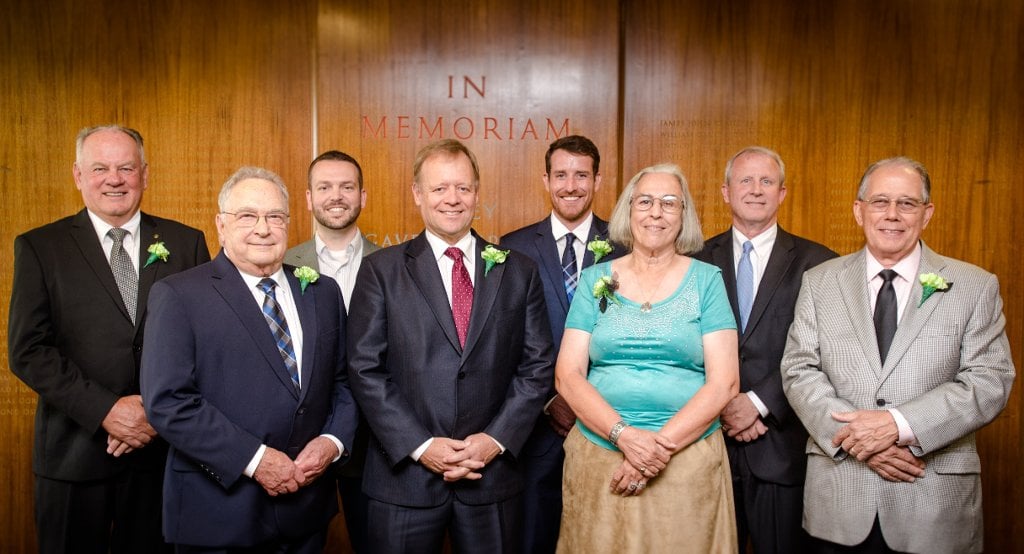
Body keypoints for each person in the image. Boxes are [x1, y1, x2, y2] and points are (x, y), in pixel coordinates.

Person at [781, 157, 1015, 553]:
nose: (892, 215)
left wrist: (898, 425)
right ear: (859, 210)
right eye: (880, 202)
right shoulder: (820, 282)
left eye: (907, 203)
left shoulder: (975, 285)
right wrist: (859, 440)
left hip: (932, 503)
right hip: (840, 501)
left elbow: (989, 381)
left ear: (927, 213)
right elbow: (799, 369)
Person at [7, 125, 210, 554]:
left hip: (162, 457)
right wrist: (106, 410)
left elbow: (206, 343)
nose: (114, 179)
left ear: (145, 174)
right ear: (79, 175)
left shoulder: (185, 243)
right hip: (73, 458)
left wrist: (153, 414)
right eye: (100, 168)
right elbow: (29, 351)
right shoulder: (41, 247)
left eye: (126, 168)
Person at [347, 139, 554, 553]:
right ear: (418, 195)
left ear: (476, 193)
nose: (452, 199)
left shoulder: (519, 270)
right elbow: (364, 368)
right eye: (439, 188)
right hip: (404, 479)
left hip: (490, 478)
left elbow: (537, 367)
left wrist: (493, 441)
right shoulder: (381, 271)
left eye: (462, 187)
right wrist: (422, 447)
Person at [140, 166, 358, 553]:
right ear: (220, 226)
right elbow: (168, 401)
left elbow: (343, 383)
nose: (263, 228)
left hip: (306, 511)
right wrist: (255, 460)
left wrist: (332, 441)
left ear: (289, 223)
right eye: (247, 216)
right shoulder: (179, 295)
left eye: (275, 216)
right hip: (219, 512)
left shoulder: (322, 292)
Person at [555, 163, 739, 553]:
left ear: (684, 215)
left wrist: (654, 450)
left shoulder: (708, 280)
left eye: (670, 203)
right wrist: (624, 436)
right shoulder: (594, 280)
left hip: (684, 460)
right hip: (600, 454)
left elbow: (725, 382)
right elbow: (568, 376)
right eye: (646, 201)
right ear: (628, 211)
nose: (656, 212)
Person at [695, 146, 836, 553]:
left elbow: (828, 350)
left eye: (766, 181)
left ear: (782, 193)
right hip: (708, 443)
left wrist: (758, 403)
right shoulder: (695, 260)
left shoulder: (819, 263)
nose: (755, 190)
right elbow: (682, 347)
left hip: (780, 445)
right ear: (725, 191)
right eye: (745, 180)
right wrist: (722, 404)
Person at [499, 134, 621, 553]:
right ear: (546, 180)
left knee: (600, 535)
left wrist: (586, 400)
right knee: (533, 535)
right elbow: (503, 340)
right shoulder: (512, 248)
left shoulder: (626, 246)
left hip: (606, 421)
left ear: (598, 180)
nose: (571, 185)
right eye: (562, 175)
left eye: (582, 175)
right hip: (536, 423)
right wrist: (552, 399)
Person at [284, 150, 379, 553]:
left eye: (346, 187)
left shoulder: (396, 265)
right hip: (301, 442)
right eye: (324, 187)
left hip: (377, 442)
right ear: (308, 198)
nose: (335, 196)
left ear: (363, 196)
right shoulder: (281, 263)